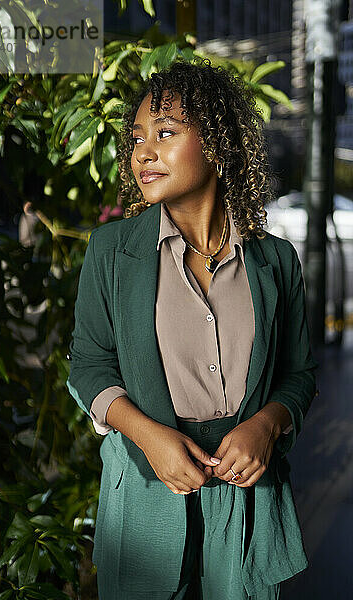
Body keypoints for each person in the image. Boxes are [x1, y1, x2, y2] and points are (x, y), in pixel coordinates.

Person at [66, 58, 319, 600]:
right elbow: (88, 367)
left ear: (218, 144)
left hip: (247, 501)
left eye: (165, 132)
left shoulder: (275, 262)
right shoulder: (112, 253)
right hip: (145, 494)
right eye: (137, 137)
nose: (143, 152)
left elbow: (299, 374)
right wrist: (148, 436)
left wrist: (266, 425)